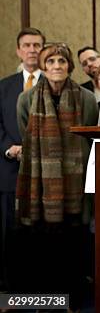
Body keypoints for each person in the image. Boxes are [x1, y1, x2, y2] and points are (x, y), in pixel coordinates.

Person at [15, 42, 98, 313]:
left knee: (74, 245)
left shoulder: (85, 98)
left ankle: (72, 302)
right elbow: (25, 136)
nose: (56, 67)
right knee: (43, 248)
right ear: (42, 66)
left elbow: (89, 133)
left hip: (75, 185)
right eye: (50, 62)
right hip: (42, 185)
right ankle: (46, 303)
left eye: (61, 61)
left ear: (69, 66)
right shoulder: (26, 100)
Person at [0, 28, 44, 291]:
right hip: (8, 171)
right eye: (26, 45)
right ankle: (10, 292)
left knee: (39, 236)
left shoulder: (53, 84)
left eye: (37, 45)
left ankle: (40, 293)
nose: (31, 50)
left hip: (42, 174)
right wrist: (10, 148)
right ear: (18, 50)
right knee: (9, 236)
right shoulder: (4, 86)